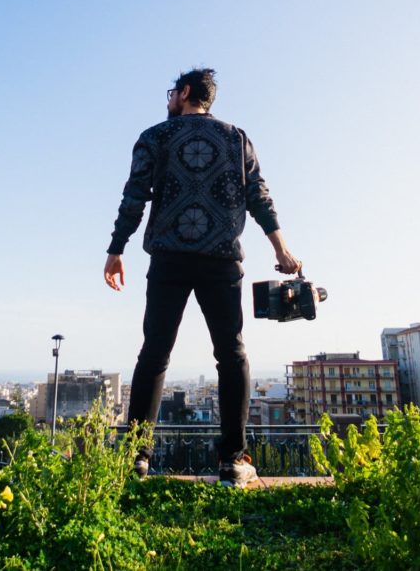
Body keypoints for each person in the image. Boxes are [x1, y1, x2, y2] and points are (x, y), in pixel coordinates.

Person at [103, 67, 300, 487]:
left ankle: (137, 459)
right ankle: (233, 461)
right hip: (221, 260)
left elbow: (133, 196)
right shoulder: (236, 138)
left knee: (154, 354)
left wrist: (116, 249)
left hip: (169, 258)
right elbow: (259, 197)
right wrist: (280, 247)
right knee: (231, 355)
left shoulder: (154, 136)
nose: (169, 99)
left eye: (172, 92)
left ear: (186, 92)